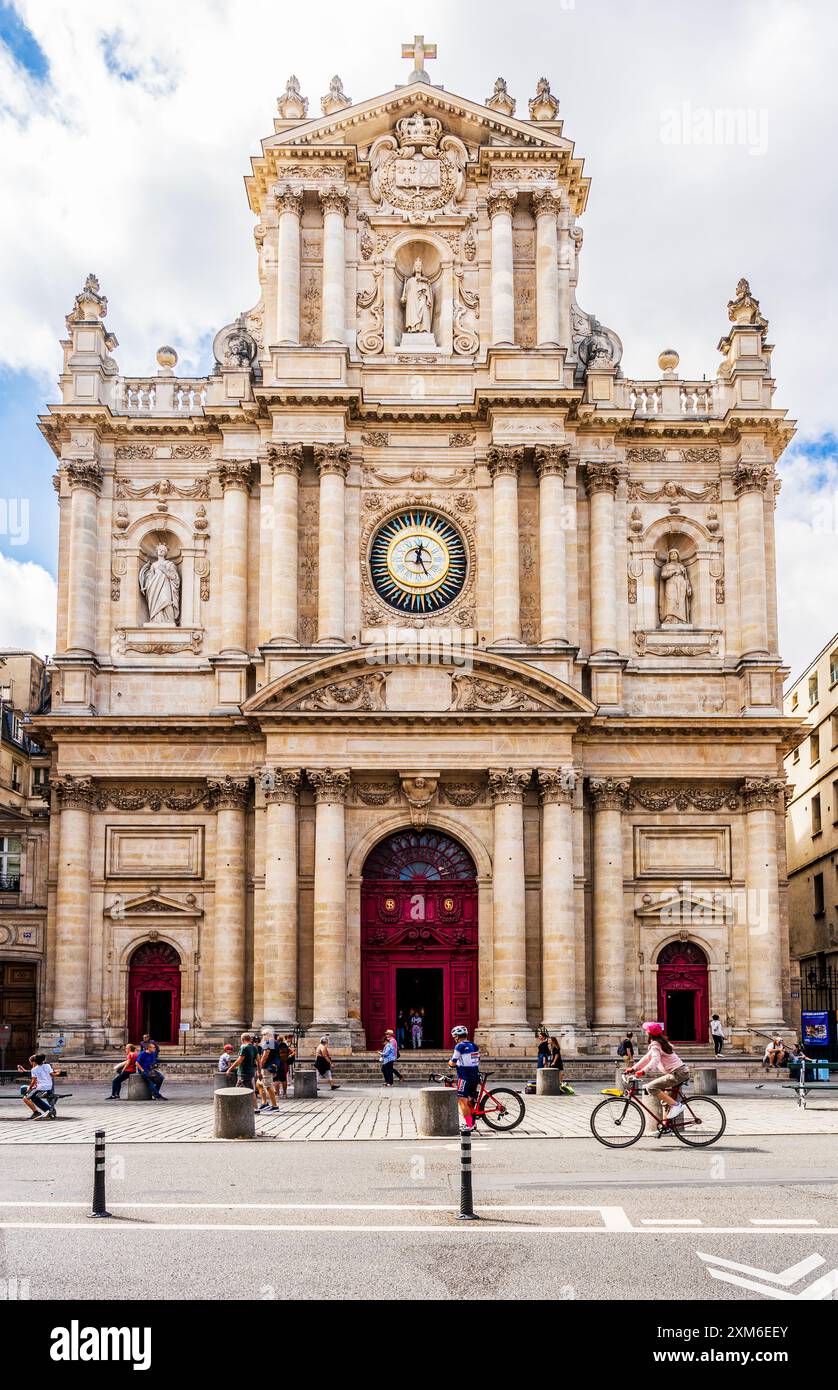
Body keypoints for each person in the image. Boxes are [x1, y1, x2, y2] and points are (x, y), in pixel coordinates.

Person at [629, 1021, 691, 1128]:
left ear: (649, 1034)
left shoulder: (655, 1045)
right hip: (680, 1072)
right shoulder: (660, 1043)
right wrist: (634, 1068)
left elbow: (654, 1060)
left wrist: (643, 1071)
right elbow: (647, 1058)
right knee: (666, 1100)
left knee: (651, 1087)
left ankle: (677, 1105)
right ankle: (666, 1127)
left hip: (677, 1073)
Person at [448, 1024, 480, 1136]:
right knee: (470, 1100)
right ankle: (472, 1123)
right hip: (475, 1075)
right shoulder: (474, 1045)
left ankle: (469, 1124)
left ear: (456, 1037)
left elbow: (453, 1061)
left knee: (462, 1100)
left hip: (464, 1076)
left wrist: (450, 1063)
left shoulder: (459, 1046)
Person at [225, 1032, 260, 1110]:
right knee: (251, 1090)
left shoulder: (244, 1047)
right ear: (250, 1039)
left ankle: (236, 1108)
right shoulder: (254, 1047)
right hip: (251, 1072)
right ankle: (256, 1108)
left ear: (242, 1040)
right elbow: (258, 1060)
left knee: (237, 1090)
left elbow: (239, 1060)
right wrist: (259, 1071)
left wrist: (229, 1069)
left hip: (243, 1073)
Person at [21, 1053, 55, 1119]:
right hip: (44, 1087)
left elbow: (34, 1080)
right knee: (24, 1089)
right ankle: (46, 1110)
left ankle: (37, 1112)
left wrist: (30, 1087)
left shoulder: (36, 1069)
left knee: (24, 1091)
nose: (30, 1063)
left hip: (42, 1088)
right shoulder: (45, 1066)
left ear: (34, 1061)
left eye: (30, 1062)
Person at [256, 1030, 281, 1112]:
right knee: (259, 1084)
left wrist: (260, 1064)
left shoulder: (269, 1042)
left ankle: (274, 1105)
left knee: (268, 1086)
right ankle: (264, 1103)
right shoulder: (274, 1042)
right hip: (270, 1066)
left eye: (264, 1034)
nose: (263, 1036)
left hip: (267, 1066)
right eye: (262, 1034)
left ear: (269, 1035)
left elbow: (266, 1054)